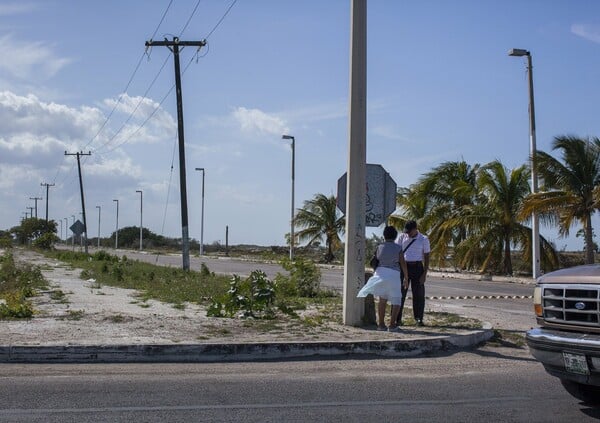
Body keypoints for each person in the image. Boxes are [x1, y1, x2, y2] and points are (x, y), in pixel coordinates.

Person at [357, 226, 408, 332]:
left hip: (381, 273)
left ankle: (381, 324)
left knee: (382, 299)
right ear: (395, 236)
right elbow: (403, 263)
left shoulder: (379, 246)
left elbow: (376, 259)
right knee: (397, 299)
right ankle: (392, 324)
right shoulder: (398, 248)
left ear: (384, 236)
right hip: (394, 274)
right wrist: (406, 278)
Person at [396, 220, 430, 327]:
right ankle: (397, 319)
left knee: (419, 295)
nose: (408, 234)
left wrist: (424, 273)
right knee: (400, 293)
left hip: (417, 267)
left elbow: (427, 256)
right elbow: (397, 251)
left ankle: (418, 318)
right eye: (407, 231)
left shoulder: (423, 239)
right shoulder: (402, 237)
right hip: (403, 266)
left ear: (415, 229)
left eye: (410, 231)